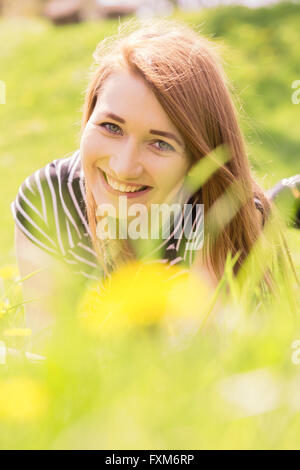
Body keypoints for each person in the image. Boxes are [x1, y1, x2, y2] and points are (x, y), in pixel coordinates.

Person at [12, 19, 272, 343]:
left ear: (196, 160)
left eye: (160, 143)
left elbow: (199, 366)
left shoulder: (218, 213)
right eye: (111, 127)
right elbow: (51, 356)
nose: (124, 167)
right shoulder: (48, 200)